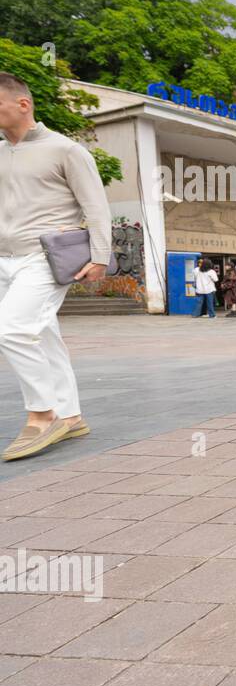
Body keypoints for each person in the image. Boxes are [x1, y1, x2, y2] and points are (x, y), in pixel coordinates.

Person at [0, 72, 110, 461]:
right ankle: (72, 415)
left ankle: (43, 414)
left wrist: (100, 255)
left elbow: (95, 205)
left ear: (22, 104)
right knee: (43, 335)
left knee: (12, 329)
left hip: (44, 257)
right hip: (4, 260)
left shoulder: (65, 150)